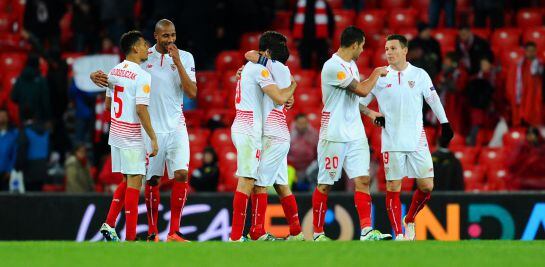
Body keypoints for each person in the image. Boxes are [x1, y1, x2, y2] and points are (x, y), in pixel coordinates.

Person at [91, 19, 198, 242]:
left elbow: (192, 93)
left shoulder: (185, 57)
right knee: (151, 181)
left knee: (182, 174)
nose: (170, 40)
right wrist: (100, 79)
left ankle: (174, 232)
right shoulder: (143, 57)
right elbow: (124, 77)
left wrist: (177, 63)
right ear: (156, 36)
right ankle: (151, 231)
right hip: (150, 128)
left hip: (176, 125)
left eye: (173, 35)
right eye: (166, 36)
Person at [360, 34, 454, 240]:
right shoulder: (380, 77)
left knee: (427, 186)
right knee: (394, 187)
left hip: (417, 140)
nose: (389, 52)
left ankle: (409, 219)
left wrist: (445, 122)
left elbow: (433, 100)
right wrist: (371, 114)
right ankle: (400, 235)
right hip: (391, 140)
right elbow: (359, 102)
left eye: (393, 48)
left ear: (404, 51)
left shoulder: (419, 75)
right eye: (386, 49)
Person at [312, 26, 390, 242]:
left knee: (363, 179)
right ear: (354, 44)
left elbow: (354, 99)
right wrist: (376, 72)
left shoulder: (352, 65)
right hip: (334, 134)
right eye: (362, 46)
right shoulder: (332, 67)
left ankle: (366, 231)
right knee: (325, 184)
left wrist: (368, 112)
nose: (363, 50)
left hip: (355, 133)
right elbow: (363, 91)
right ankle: (318, 233)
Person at [229, 31, 297, 242]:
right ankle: (236, 237)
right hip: (253, 129)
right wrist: (293, 88)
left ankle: (259, 232)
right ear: (268, 52)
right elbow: (278, 96)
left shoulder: (255, 68)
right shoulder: (261, 69)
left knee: (261, 181)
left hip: (253, 127)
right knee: (249, 180)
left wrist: (288, 96)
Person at [96, 30, 158, 242]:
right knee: (135, 182)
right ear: (134, 48)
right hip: (132, 134)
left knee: (127, 179)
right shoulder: (142, 75)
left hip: (116, 133)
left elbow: (107, 105)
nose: (147, 48)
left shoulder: (114, 71)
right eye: (144, 44)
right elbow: (141, 109)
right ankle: (131, 237)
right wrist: (153, 137)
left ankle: (110, 223)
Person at [242, 43, 304, 241]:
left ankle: (257, 232)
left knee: (259, 184)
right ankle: (296, 232)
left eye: (263, 51)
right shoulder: (283, 71)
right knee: (281, 185)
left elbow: (249, 54)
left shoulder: (271, 67)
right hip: (279, 133)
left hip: (272, 135)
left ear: (267, 53)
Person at [506, 42, 543, 127]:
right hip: (521, 99)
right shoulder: (518, 66)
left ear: (536, 51)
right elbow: (511, 83)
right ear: (525, 52)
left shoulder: (540, 66)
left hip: (535, 100)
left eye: (533, 51)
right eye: (528, 51)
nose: (531, 53)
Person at [290, 0, 335, 69]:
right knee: (305, 65)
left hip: (321, 39)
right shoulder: (299, 3)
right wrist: (296, 38)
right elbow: (293, 20)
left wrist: (330, 36)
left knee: (322, 66)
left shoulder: (324, 3)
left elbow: (331, 20)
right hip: (304, 39)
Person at [288, 113, 319, 189]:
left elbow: (319, 153)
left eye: (304, 123)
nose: (302, 125)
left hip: (310, 167)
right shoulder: (288, 134)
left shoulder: (314, 135)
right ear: (295, 123)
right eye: (300, 123)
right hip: (292, 167)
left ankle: (314, 197)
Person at [0, 109, 18, 191]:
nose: (2, 118)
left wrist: (10, 170)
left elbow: (14, 154)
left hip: (5, 173)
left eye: (4, 116)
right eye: (0, 116)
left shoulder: (13, 135)